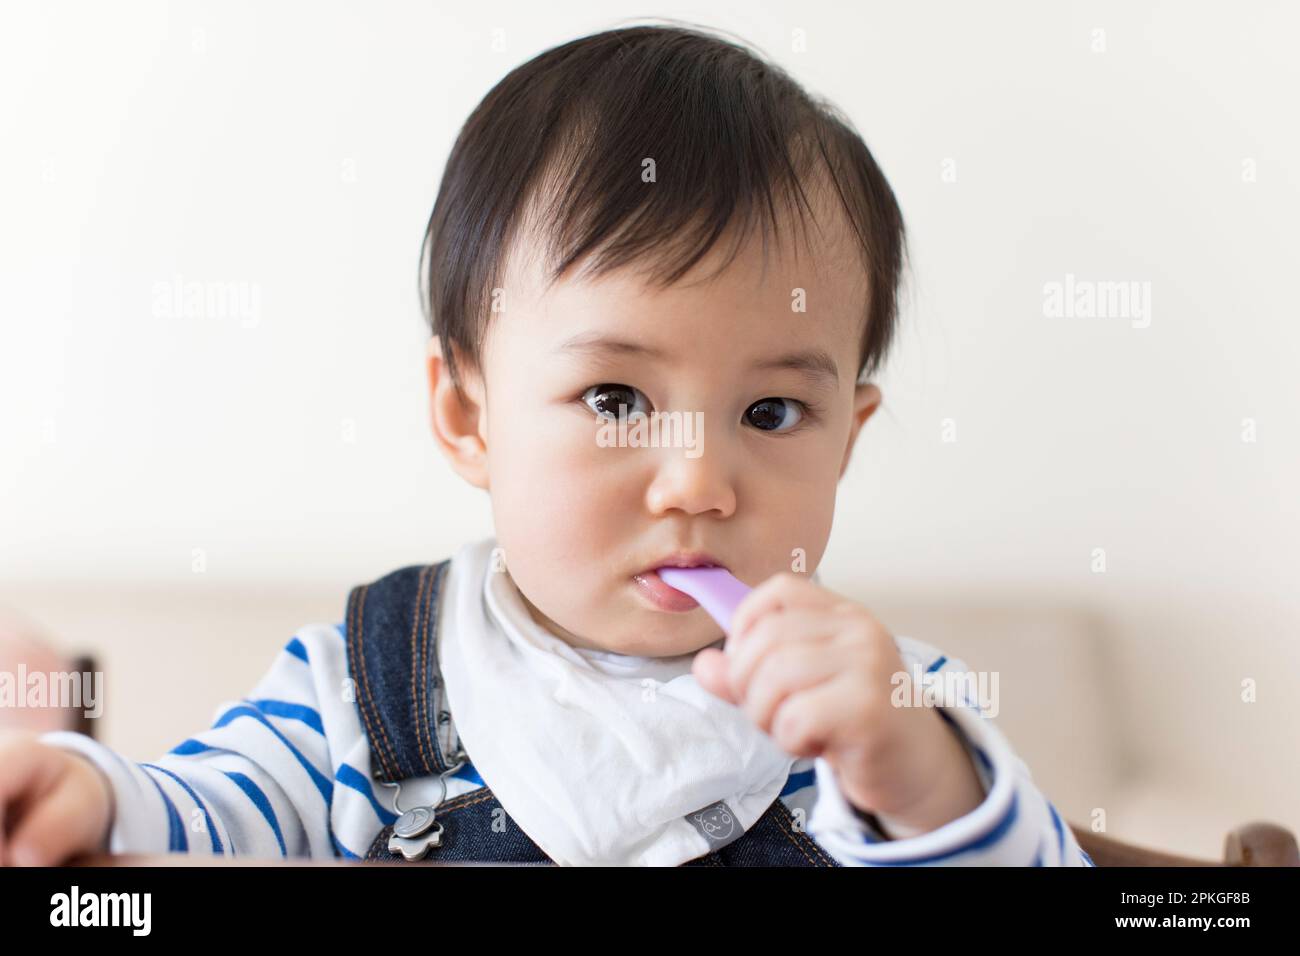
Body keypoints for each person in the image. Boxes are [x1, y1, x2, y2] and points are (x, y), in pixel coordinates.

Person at [0, 22, 1091, 867]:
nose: (700, 480)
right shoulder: (357, 684)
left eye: (768, 413)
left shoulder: (890, 707)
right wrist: (95, 797)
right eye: (616, 397)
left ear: (848, 439)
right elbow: (213, 814)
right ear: (468, 415)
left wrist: (927, 786)